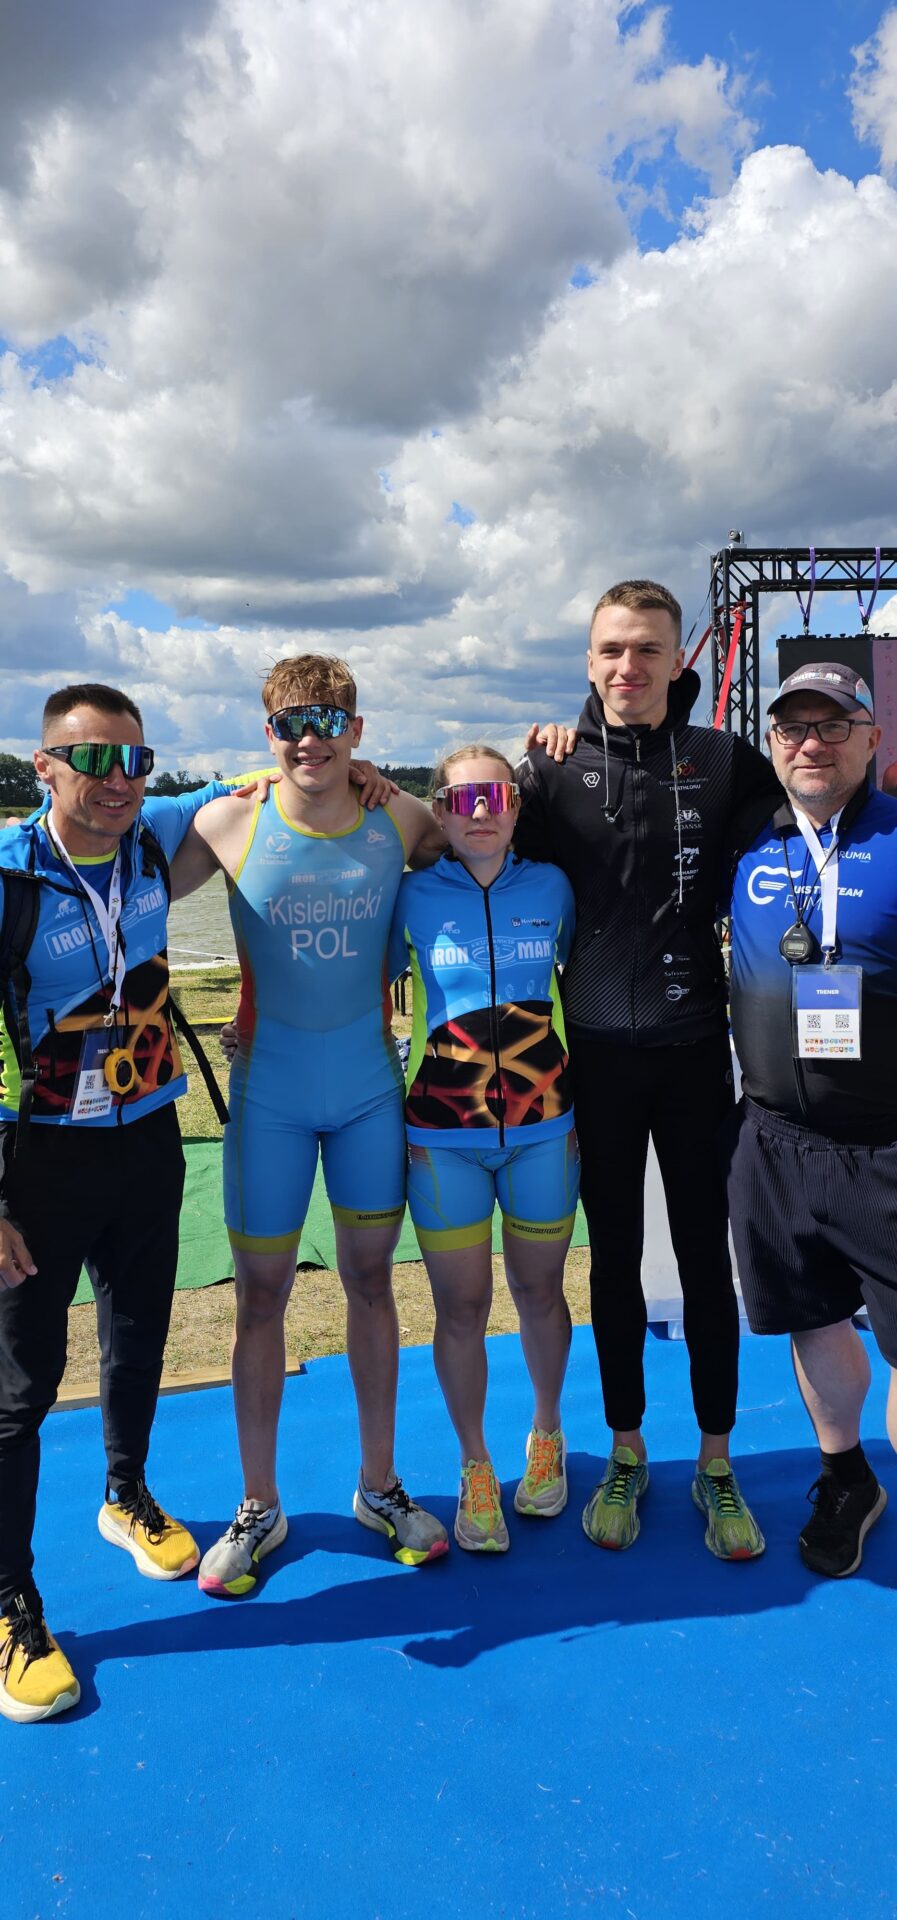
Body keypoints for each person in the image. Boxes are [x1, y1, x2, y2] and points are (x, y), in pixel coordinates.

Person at [0, 683, 258, 1724]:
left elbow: (262, 784)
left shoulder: (152, 835)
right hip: (38, 1161)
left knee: (138, 1333)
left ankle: (126, 1493)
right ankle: (11, 1603)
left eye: (135, 760)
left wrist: (361, 772)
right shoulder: (10, 875)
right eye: (94, 759)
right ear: (44, 766)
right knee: (19, 1389)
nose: (118, 780)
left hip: (148, 1135)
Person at [169, 655, 452, 1596]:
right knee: (260, 1296)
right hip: (270, 1097)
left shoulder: (397, 819)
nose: (309, 738)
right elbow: (132, 877)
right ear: (268, 734)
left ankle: (379, 1486)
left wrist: (399, 788)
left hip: (369, 1089)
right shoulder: (229, 821)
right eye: (291, 722)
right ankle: (259, 1504)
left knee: (371, 1282)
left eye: (329, 720)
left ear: (357, 732)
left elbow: (471, 840)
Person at [516, 580, 781, 1559]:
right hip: (596, 1060)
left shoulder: (724, 761)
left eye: (647, 649)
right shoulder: (549, 770)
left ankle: (716, 1462)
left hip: (694, 1053)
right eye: (611, 649)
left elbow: (816, 819)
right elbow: (464, 843)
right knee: (614, 1260)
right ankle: (625, 1450)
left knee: (708, 1261)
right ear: (589, 662)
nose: (628, 665)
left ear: (679, 660)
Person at [726, 661, 896, 1577]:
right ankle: (845, 1478)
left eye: (834, 726)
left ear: (872, 738)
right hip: (775, 1140)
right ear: (771, 744)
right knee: (813, 1318)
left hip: (887, 1143)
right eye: (792, 727)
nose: (811, 744)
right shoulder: (746, 839)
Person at [390, 746, 578, 1552]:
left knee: (539, 1293)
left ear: (515, 806)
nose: (479, 813)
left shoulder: (553, 887)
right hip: (443, 1137)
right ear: (439, 811)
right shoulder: (409, 896)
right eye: (461, 799)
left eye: (494, 796)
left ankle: (546, 1435)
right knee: (461, 1308)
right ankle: (474, 1465)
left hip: (543, 1132)